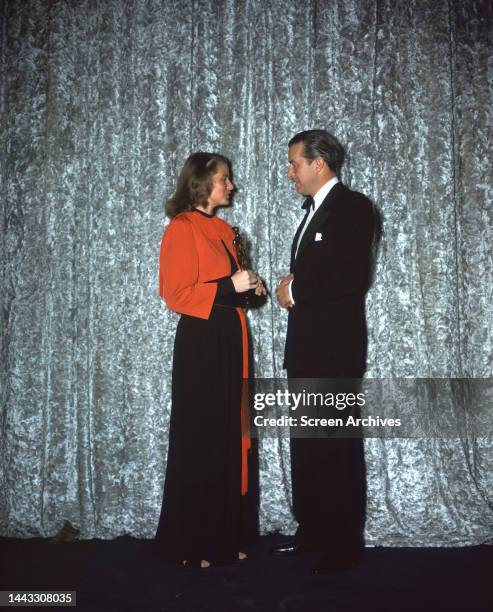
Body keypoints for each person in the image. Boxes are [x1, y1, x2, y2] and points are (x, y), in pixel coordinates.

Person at [153, 152, 265, 569]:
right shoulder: (182, 228)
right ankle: (194, 544)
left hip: (231, 340)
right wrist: (227, 285)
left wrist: (251, 287)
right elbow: (175, 294)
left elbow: (227, 290)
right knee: (203, 437)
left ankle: (224, 537)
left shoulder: (224, 229)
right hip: (201, 344)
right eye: (224, 179)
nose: (231, 185)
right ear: (201, 182)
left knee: (231, 436)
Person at [274, 130, 375, 575]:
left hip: (334, 353)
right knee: (309, 447)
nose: (290, 171)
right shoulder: (313, 211)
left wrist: (293, 290)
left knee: (335, 449)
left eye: (295, 162)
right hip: (307, 353)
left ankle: (342, 546)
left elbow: (351, 275)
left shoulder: (353, 208)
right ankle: (313, 532)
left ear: (320, 164)